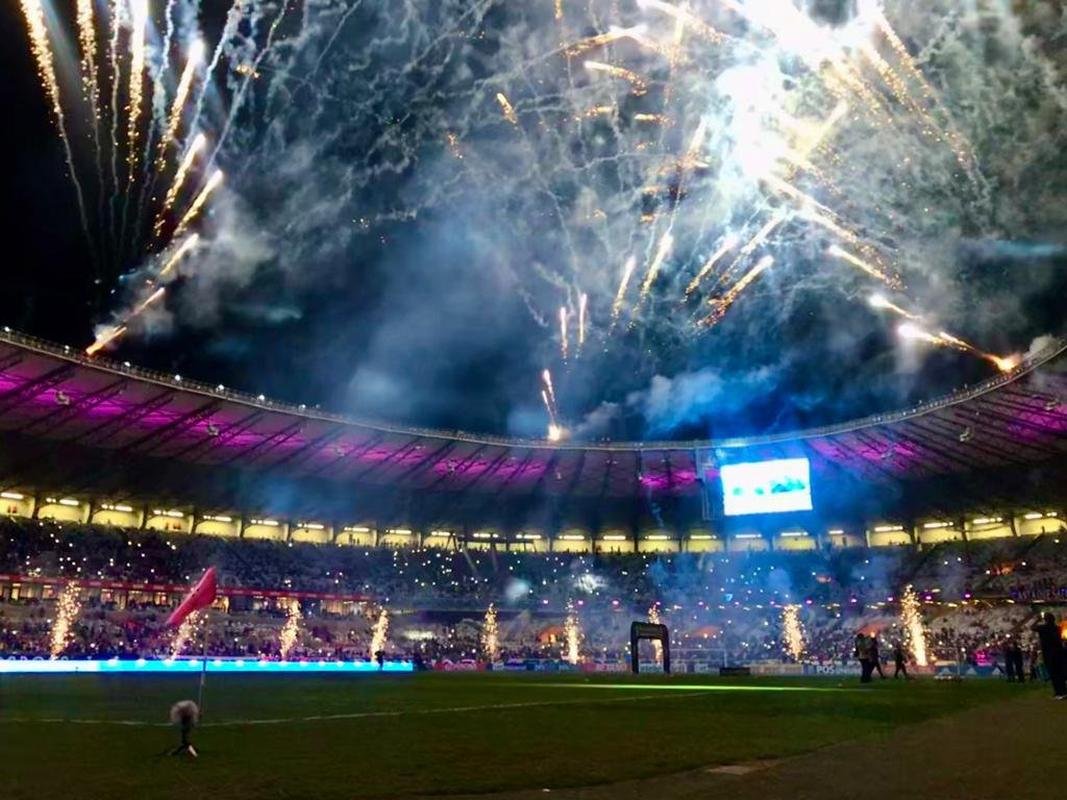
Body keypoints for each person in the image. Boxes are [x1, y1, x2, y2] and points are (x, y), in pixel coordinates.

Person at [1029, 612, 1066, 699]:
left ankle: (1059, 692)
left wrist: (1038, 620)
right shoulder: (1057, 628)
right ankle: (1063, 691)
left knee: (1053, 674)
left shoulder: (1043, 628)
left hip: (1048, 653)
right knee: (1060, 673)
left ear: (1045, 619)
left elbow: (1032, 627)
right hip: (1059, 652)